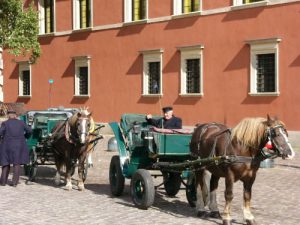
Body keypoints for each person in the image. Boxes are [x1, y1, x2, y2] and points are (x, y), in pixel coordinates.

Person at [0, 110, 32, 187]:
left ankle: (3, 182)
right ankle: (14, 183)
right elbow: (30, 131)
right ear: (15, 115)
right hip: (19, 145)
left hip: (6, 145)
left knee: (6, 163)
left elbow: (0, 133)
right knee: (16, 164)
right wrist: (25, 137)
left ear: (8, 115)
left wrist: (1, 139)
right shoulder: (21, 123)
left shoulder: (5, 123)